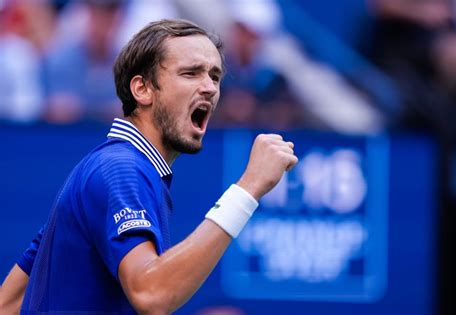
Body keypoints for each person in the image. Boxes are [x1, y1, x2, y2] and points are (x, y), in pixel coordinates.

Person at [0, 19, 297, 314]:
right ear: (142, 89)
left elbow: (9, 303)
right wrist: (248, 189)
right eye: (191, 73)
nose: (209, 87)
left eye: (215, 76)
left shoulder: (112, 169)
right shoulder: (121, 169)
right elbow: (152, 293)